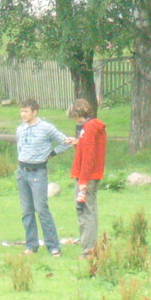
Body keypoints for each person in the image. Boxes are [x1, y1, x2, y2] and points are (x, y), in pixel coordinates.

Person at [16, 98, 73, 257]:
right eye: (22, 111)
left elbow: (66, 142)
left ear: (35, 112)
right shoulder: (20, 129)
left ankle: (53, 247)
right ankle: (31, 245)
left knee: (41, 209)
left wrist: (52, 153)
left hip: (38, 173)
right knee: (26, 211)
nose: (23, 114)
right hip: (22, 172)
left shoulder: (46, 128)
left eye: (26, 111)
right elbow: (20, 148)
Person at [66, 98, 107, 258]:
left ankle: (88, 250)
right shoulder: (93, 127)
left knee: (84, 212)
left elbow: (89, 157)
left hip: (87, 177)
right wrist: (77, 143)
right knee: (90, 211)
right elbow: (89, 147)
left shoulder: (89, 128)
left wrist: (83, 183)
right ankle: (92, 246)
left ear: (77, 114)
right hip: (92, 175)